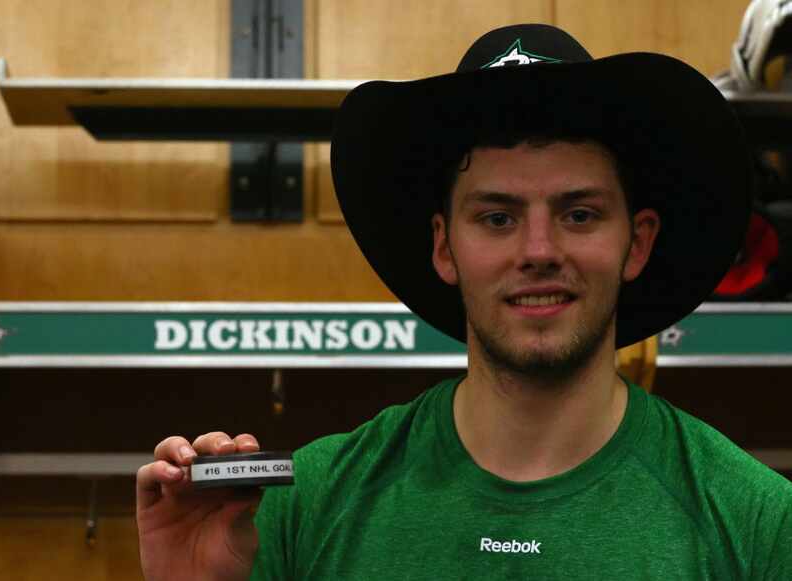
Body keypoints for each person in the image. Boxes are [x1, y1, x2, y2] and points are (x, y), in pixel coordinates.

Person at [136, 24, 792, 579]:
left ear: (638, 242)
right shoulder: (296, 510)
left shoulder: (758, 523)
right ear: (445, 247)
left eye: (581, 213)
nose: (539, 249)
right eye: (497, 218)